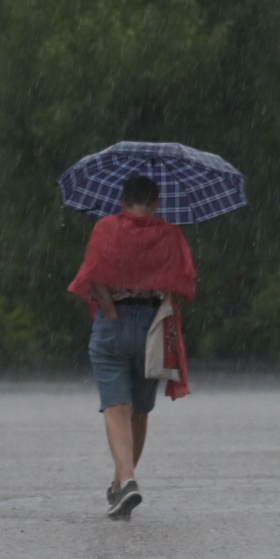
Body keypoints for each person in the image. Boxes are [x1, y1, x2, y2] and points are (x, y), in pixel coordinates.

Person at [67, 175, 196, 521]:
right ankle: (122, 485)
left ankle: (125, 481)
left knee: (115, 407)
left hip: (113, 326)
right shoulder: (170, 234)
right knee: (139, 410)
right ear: (156, 203)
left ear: (122, 201)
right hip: (153, 329)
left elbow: (92, 274)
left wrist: (110, 310)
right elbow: (182, 284)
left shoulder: (106, 229)